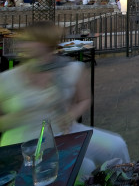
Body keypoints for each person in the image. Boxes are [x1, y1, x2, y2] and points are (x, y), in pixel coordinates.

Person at [0, 22, 130, 179]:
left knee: (117, 145)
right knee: (85, 166)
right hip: (24, 143)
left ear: (46, 44)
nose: (22, 45)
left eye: (31, 41)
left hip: (64, 132)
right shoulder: (7, 79)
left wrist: (70, 115)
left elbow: (85, 99)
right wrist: (21, 115)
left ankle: (125, 180)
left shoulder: (71, 69)